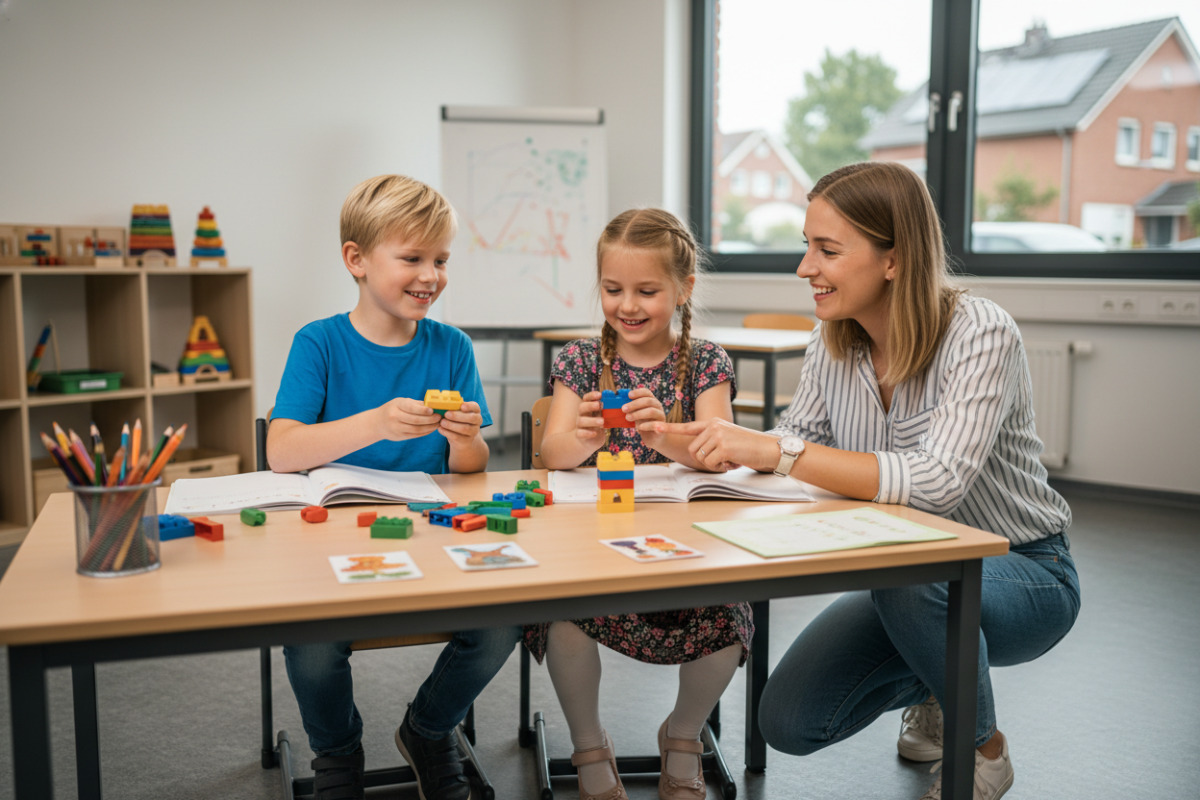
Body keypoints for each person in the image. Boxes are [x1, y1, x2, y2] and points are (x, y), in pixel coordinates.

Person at [658, 162, 1081, 800]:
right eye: (807, 245)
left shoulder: (980, 331)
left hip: (1024, 571)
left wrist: (777, 449)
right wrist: (698, 449)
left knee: (912, 573)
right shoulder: (832, 342)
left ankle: (983, 748)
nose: (804, 267)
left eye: (827, 250)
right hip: (905, 576)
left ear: (895, 259)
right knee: (789, 722)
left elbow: (936, 481)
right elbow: (795, 456)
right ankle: (940, 680)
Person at [268, 174, 521, 800]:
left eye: (441, 260)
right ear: (356, 259)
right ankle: (337, 755)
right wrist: (374, 423)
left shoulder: (452, 346)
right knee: (312, 641)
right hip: (330, 542)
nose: (430, 275)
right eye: (412, 258)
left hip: (433, 533)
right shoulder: (319, 343)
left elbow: (471, 468)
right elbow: (281, 450)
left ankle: (428, 730)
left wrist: (465, 439)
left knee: (506, 619)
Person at [523, 208, 752, 800]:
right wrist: (586, 438)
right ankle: (588, 744)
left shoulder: (705, 362)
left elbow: (720, 454)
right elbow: (552, 453)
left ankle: (684, 734)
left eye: (647, 291)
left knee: (730, 621)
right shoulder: (580, 361)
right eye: (612, 289)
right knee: (564, 618)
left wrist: (662, 435)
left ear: (683, 289)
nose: (627, 305)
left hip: (685, 550)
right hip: (594, 546)